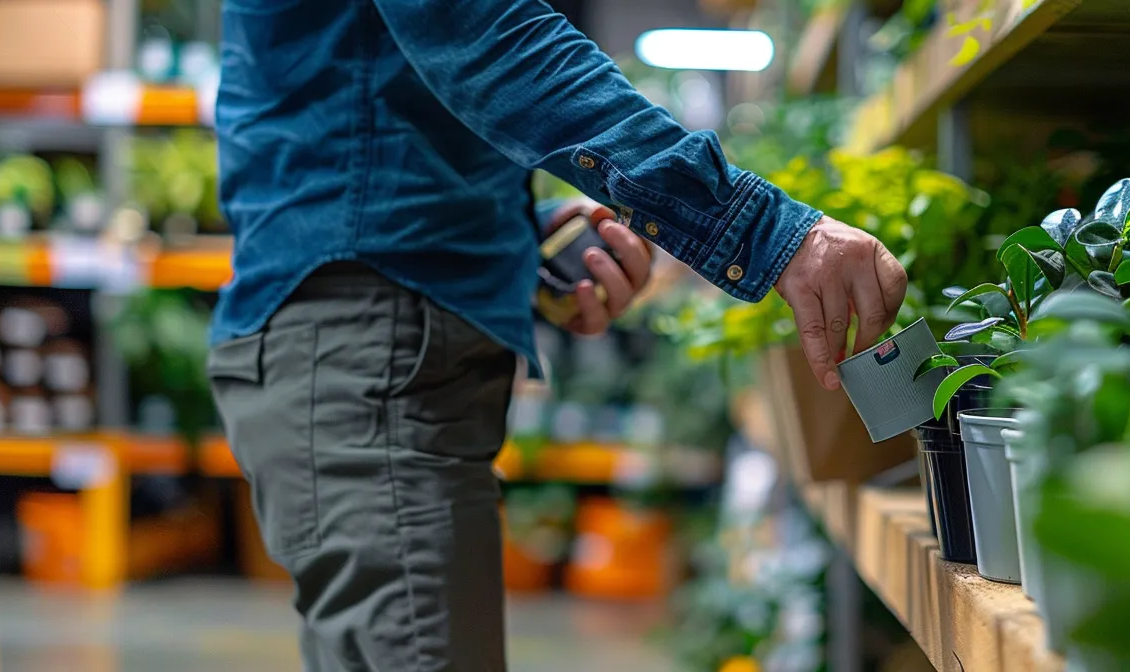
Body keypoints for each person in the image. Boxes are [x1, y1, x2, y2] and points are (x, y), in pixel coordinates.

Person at [210, 2, 908, 670]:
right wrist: (763, 231)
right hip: (363, 346)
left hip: (366, 342)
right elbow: (487, 38)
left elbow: (371, 111)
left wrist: (520, 242)